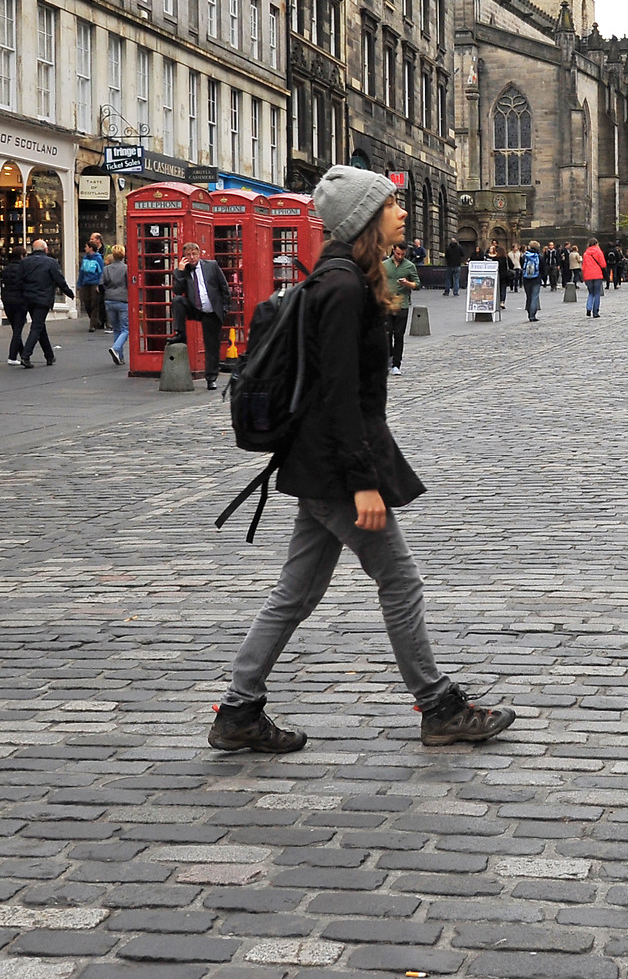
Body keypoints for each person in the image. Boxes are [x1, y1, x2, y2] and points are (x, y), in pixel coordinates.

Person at [210, 166, 516, 754]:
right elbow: (339, 396)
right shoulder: (344, 288)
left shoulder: (339, 278)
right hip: (335, 469)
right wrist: (362, 483)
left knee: (296, 593)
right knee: (400, 582)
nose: (402, 212)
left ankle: (239, 710)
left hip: (317, 463)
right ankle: (438, 706)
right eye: (391, 205)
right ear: (364, 220)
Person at [8, 237, 75, 370]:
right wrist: (69, 293)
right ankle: (26, 355)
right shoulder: (51, 262)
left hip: (28, 298)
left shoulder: (25, 262)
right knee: (37, 327)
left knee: (40, 327)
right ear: (45, 249)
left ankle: (49, 355)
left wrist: (23, 294)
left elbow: (18, 281)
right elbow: (59, 280)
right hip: (43, 298)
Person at [175, 241, 232, 388]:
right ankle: (180, 333)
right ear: (184, 257)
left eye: (194, 254)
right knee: (178, 300)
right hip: (195, 308)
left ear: (199, 254)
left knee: (212, 345)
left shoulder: (211, 266)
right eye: (188, 255)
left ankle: (211, 378)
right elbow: (177, 290)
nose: (192, 257)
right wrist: (180, 272)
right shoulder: (183, 270)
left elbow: (224, 287)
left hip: (211, 311)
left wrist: (225, 308)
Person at [384, 243, 418, 374]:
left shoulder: (409, 266)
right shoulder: (384, 265)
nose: (400, 256)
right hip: (387, 304)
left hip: (402, 304)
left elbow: (417, 284)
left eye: (403, 254)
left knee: (399, 335)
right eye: (398, 253)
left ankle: (396, 364)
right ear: (393, 250)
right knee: (387, 334)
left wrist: (407, 283)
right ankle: (389, 358)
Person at [103, 245, 131, 365]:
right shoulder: (126, 268)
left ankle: (120, 357)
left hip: (109, 300)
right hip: (123, 300)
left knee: (116, 329)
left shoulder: (106, 269)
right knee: (125, 329)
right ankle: (116, 348)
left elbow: (101, 284)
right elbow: (130, 284)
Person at [79, 234, 107, 330]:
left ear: (91, 248)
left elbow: (101, 272)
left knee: (94, 303)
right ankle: (95, 320)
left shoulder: (98, 258)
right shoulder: (85, 259)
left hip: (95, 283)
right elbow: (82, 272)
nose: (85, 248)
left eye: (86, 247)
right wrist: (79, 284)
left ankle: (93, 324)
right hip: (85, 283)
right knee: (86, 302)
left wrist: (99, 284)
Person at [582, 238, 607, 317]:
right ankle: (595, 311)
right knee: (597, 293)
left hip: (588, 275)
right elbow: (603, 264)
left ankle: (588, 308)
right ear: (596, 243)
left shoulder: (586, 253)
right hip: (597, 275)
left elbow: (583, 266)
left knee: (590, 293)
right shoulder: (599, 252)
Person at [522, 240, 543, 321]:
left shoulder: (525, 256)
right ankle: (532, 315)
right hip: (536, 279)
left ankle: (528, 312)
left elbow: (522, 266)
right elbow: (543, 268)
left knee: (528, 296)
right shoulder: (539, 257)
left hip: (526, 279)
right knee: (535, 297)